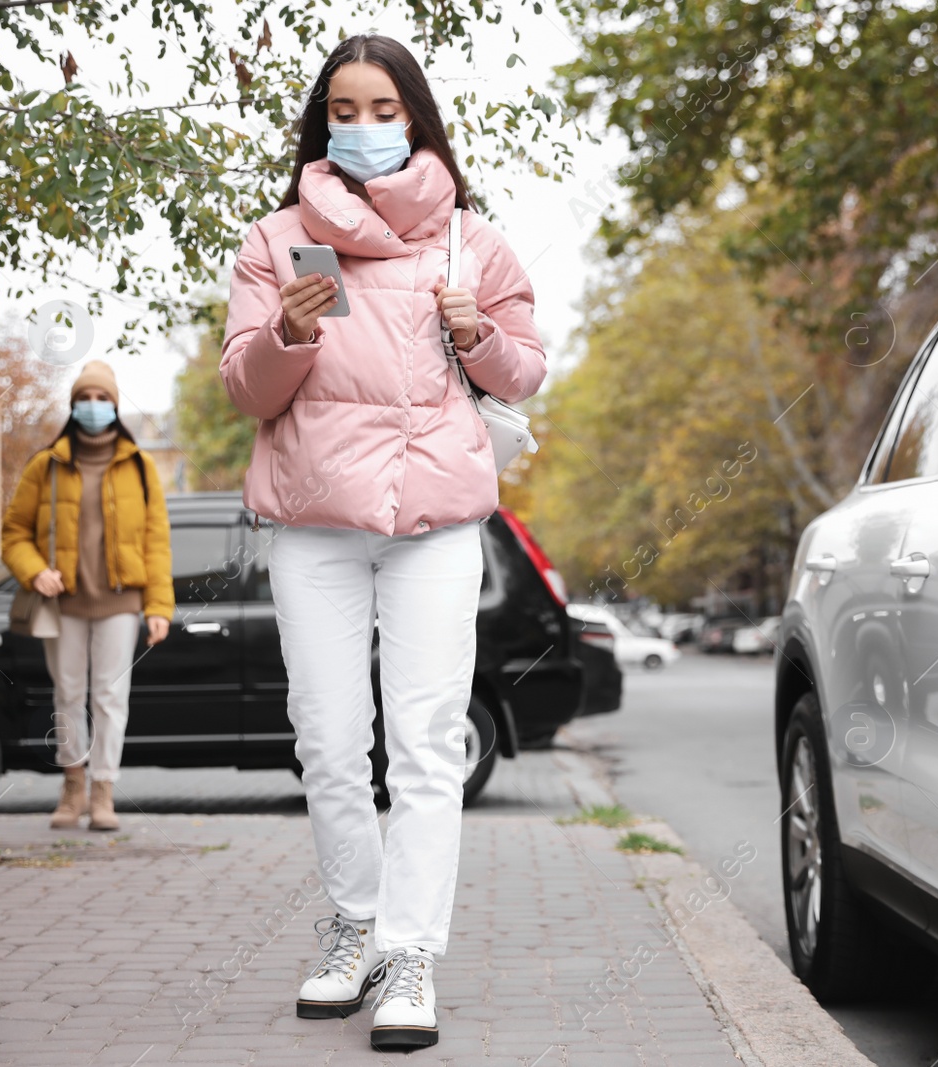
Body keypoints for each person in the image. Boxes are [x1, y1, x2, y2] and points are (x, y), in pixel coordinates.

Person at [218, 33, 546, 1053]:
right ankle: (353, 923)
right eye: (343, 111)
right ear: (321, 122)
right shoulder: (276, 242)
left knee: (425, 742)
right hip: (313, 522)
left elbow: (526, 371)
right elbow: (242, 387)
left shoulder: (472, 243)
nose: (362, 128)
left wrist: (476, 336)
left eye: (383, 108)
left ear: (416, 117)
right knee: (324, 736)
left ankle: (411, 952)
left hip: (434, 522)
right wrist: (291, 335)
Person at [0, 359, 173, 831]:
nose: (93, 406)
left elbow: (157, 542)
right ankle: (72, 786)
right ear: (73, 405)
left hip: (121, 602)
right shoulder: (47, 464)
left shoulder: (139, 466)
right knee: (68, 695)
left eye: (102, 399)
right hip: (65, 604)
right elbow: (14, 533)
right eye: (84, 399)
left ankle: (103, 792)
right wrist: (35, 572)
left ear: (114, 406)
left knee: (111, 696)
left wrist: (159, 608)